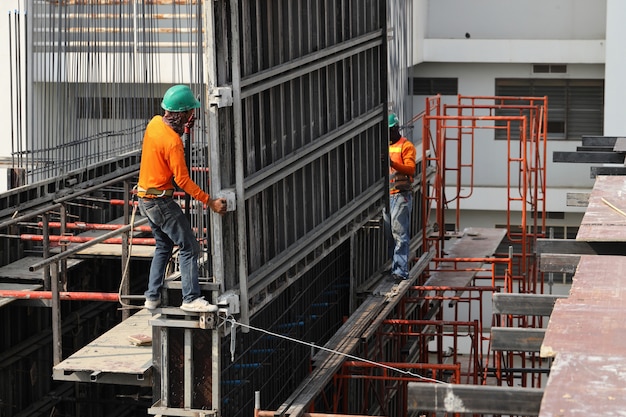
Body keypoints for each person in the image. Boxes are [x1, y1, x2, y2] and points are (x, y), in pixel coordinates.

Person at [137, 84, 227, 312]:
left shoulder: (154, 123)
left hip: (144, 199)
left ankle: (152, 296)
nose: (192, 118)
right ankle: (190, 298)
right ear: (182, 115)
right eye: (190, 114)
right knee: (190, 247)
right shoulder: (173, 143)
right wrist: (211, 202)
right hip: (160, 202)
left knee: (163, 245)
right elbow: (183, 181)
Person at [383, 112, 416, 283]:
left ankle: (401, 271)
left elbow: (410, 169)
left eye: (389, 130)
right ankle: (394, 267)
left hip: (400, 195)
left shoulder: (406, 146)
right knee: (390, 235)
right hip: (386, 195)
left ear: (395, 129)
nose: (387, 134)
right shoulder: (384, 146)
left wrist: (392, 163)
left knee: (400, 235)